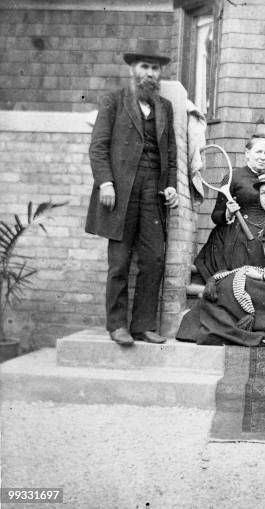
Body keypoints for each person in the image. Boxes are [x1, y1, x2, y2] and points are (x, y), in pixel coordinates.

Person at [86, 39, 178, 346]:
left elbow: (172, 154)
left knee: (154, 260)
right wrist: (106, 183)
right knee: (120, 263)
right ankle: (117, 325)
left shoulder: (164, 107)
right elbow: (98, 147)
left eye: (155, 68)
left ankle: (142, 325)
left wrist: (170, 186)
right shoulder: (113, 101)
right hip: (121, 193)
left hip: (154, 192)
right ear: (132, 69)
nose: (150, 73)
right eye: (145, 67)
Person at [176, 173, 265, 346]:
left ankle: (217, 327)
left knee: (227, 287)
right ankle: (200, 327)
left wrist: (260, 275)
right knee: (224, 282)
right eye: (263, 193)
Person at [194, 134, 265, 280]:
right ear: (247, 153)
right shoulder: (233, 177)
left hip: (263, 232)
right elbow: (215, 216)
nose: (263, 157)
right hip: (236, 234)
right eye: (259, 152)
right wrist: (228, 213)